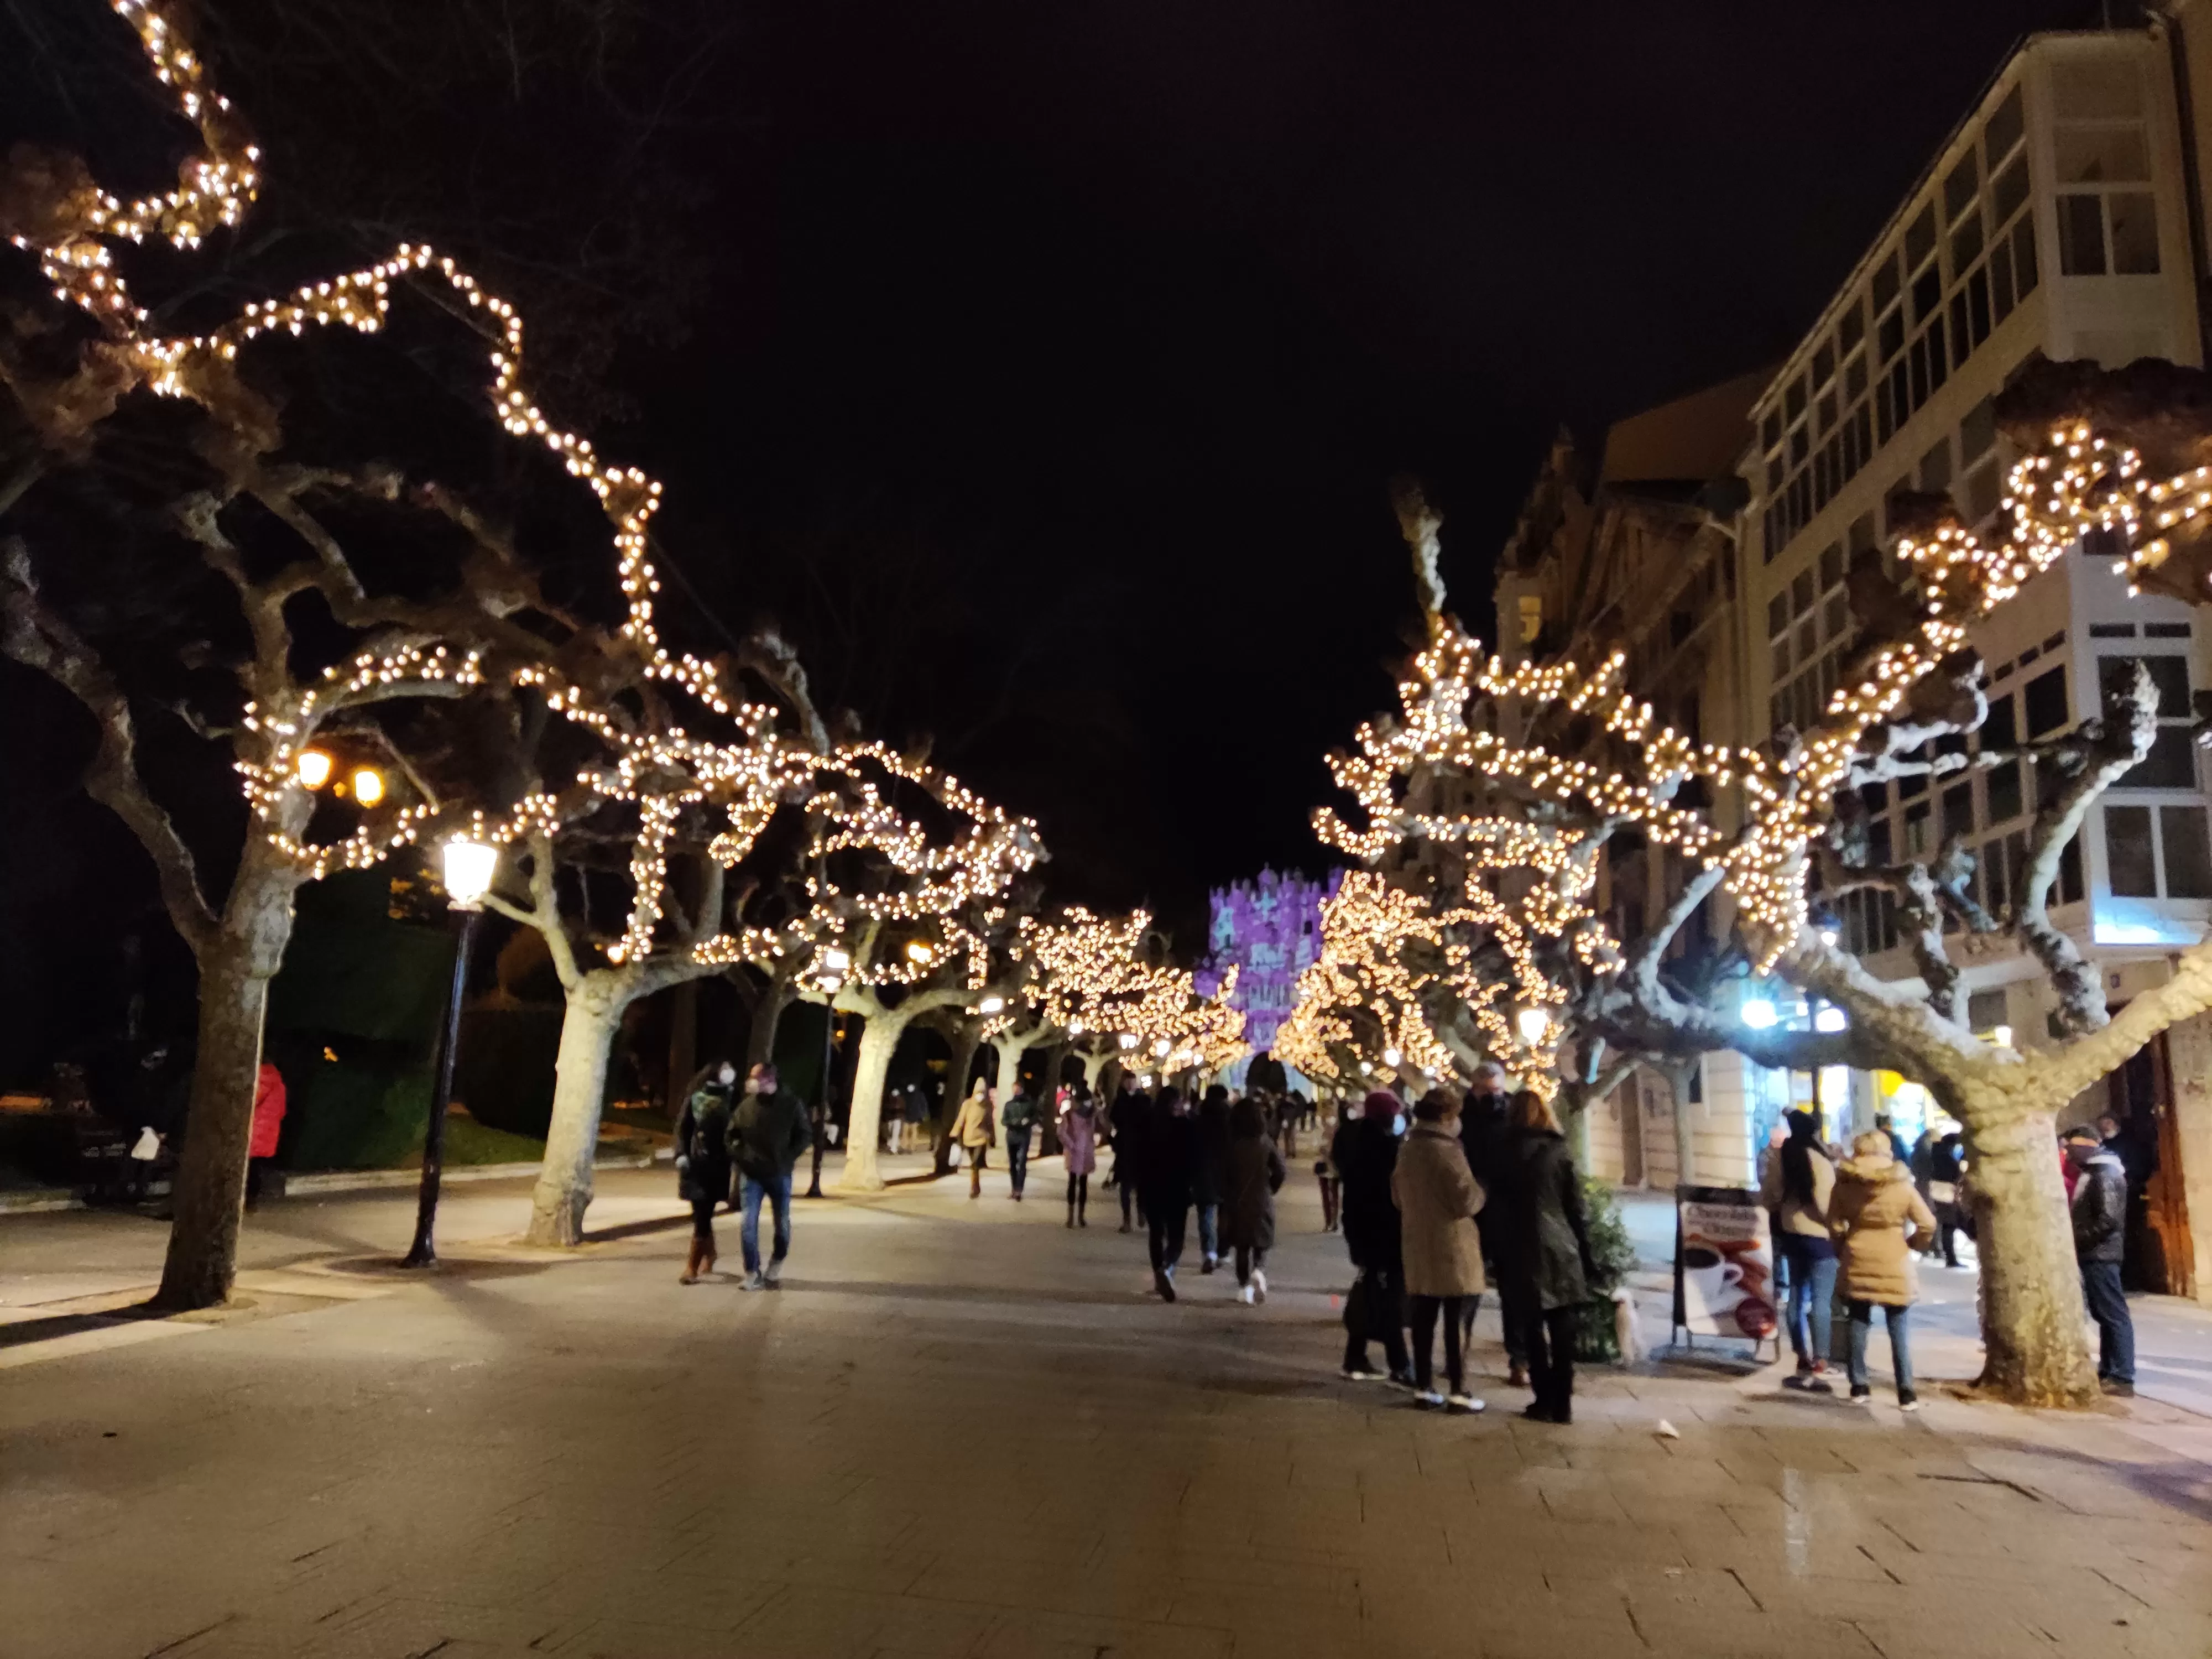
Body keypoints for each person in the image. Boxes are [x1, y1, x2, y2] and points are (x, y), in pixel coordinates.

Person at [1493, 1089, 1594, 1424]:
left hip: (1519, 1247)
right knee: (1562, 1327)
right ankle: (1563, 1403)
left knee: (1531, 1327)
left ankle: (1543, 1399)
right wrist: (1586, 1252)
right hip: (1560, 1246)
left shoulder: (1503, 1152)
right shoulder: (1559, 1151)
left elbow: (1495, 1206)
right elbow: (1576, 1208)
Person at [1391, 1086, 1486, 1413]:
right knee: (1457, 1317)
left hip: (1418, 1241)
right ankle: (1459, 1389)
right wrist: (1482, 1192)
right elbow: (1466, 1200)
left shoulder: (1408, 1148)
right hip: (1453, 1244)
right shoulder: (1448, 1151)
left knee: (1423, 1317)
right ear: (1447, 1116)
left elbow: (1397, 1196)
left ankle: (1424, 1386)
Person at [1829, 1129, 1938, 1409]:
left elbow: (1835, 1224)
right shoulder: (1902, 1185)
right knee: (1898, 1326)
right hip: (1894, 1255)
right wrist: (1913, 1243)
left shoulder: (1844, 1184)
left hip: (1858, 1253)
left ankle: (1859, 1385)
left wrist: (1843, 1248)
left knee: (1857, 1321)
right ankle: (1906, 1391)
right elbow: (1928, 1223)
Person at [1335, 1092, 1412, 1384]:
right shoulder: (1387, 1149)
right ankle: (1400, 1364)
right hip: (1386, 1233)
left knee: (1372, 1293)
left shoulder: (1357, 1143)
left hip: (1364, 1232)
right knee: (1390, 1298)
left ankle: (1355, 1357)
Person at [1761, 1108, 1838, 1392]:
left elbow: (1769, 1196)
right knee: (1821, 1300)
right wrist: (1835, 1227)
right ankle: (1821, 1359)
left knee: (1795, 1295)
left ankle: (1801, 1356)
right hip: (1820, 1236)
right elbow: (1826, 1203)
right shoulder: (1819, 1160)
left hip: (1791, 1233)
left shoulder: (1780, 1157)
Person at [1457, 1061, 1524, 1384]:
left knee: (1514, 1290)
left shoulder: (1515, 1117)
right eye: (1486, 1091)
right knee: (1467, 1288)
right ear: (1474, 1089)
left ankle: (1519, 1360)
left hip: (1509, 1215)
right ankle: (1458, 1354)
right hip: (1473, 1216)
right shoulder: (1460, 1116)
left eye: (1497, 1090)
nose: (1493, 1097)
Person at [2064, 1124, 2135, 1396]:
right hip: (2095, 1253)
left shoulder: (2104, 1174)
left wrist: (2077, 1239)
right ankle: (2109, 1370)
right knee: (2105, 1314)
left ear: (2084, 1147)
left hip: (2101, 1254)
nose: (2068, 1155)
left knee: (2113, 1315)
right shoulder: (2095, 1172)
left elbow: (2108, 1219)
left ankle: (2122, 1376)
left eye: (2071, 1149)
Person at [732, 1062, 810, 1289]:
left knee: (781, 1221)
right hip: (752, 1174)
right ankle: (752, 1271)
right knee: (748, 1222)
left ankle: (777, 1260)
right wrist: (741, 1156)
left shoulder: (791, 1105)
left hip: (779, 1174)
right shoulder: (747, 1106)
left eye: (756, 1077)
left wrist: (787, 1158)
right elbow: (732, 1134)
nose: (751, 1081)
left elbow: (804, 1134)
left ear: (769, 1079)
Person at [673, 1060, 737, 1284]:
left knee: (703, 1214)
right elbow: (683, 1129)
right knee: (700, 1214)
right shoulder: (695, 1099)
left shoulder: (732, 1099)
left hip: (718, 1166)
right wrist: (680, 1154)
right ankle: (711, 1254)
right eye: (724, 1069)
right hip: (694, 1165)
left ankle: (691, 1267)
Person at [1223, 1097, 1287, 1304]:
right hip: (1261, 1198)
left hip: (1238, 1201)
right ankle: (1258, 1270)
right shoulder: (1265, 1142)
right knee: (1261, 1243)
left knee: (1242, 1246)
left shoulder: (1233, 1144)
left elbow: (1225, 1174)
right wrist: (1271, 1187)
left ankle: (1244, 1288)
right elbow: (1280, 1170)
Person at [1141, 1086, 1202, 1301]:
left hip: (1152, 1187)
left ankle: (1159, 1272)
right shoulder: (1185, 1127)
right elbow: (1194, 1158)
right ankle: (1166, 1268)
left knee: (1156, 1234)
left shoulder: (1148, 1125)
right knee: (1176, 1237)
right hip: (1177, 1188)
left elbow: (1139, 1157)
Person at [1195, 1084, 1232, 1271]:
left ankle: (1209, 1252)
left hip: (1204, 1172)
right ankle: (1223, 1252)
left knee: (1206, 1215)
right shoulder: (1232, 1121)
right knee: (1226, 1215)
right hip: (1227, 1173)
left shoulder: (1198, 1119)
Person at [1112, 1077, 1151, 1233]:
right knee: (1127, 1187)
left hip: (1136, 1149)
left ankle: (1140, 1213)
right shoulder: (1122, 1100)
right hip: (1128, 1149)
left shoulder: (1141, 1100)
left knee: (1138, 1186)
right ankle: (1128, 1218)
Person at [246, 1059, 286, 1208]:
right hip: (268, 1131)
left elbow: (251, 1100)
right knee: (255, 1167)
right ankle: (251, 1200)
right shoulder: (279, 1083)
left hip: (253, 1129)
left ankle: (246, 1200)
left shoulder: (262, 1078)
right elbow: (282, 1109)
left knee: (247, 1167)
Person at [1925, 1131, 1968, 1268]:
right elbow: (1954, 1174)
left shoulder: (1936, 1153)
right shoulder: (1946, 1157)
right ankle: (1951, 1259)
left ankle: (1950, 1258)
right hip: (1947, 1195)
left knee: (1948, 1226)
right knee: (1950, 1226)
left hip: (1939, 1194)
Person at [1059, 1085, 1098, 1227]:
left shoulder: (1092, 1115)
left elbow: (1097, 1130)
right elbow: (1062, 1132)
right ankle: (1071, 1217)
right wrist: (1072, 1145)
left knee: (1083, 1184)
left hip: (1086, 1152)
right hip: (1075, 1152)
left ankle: (1080, 1216)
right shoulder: (1069, 1115)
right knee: (1073, 1182)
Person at [951, 1081, 995, 1199]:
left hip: (981, 1138)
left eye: (982, 1092)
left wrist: (992, 1137)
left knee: (975, 1163)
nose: (980, 1095)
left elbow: (990, 1122)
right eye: (978, 1092)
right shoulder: (967, 1104)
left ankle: (974, 1188)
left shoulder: (988, 1105)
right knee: (973, 1164)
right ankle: (976, 1185)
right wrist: (955, 1132)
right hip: (969, 1138)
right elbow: (961, 1119)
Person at [1001, 1082, 1037, 1200]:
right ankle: (1014, 1188)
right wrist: (1013, 1122)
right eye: (1015, 1090)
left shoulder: (1029, 1104)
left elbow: (1035, 1118)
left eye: (1018, 1089)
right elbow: (1004, 1120)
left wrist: (1027, 1122)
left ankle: (1019, 1190)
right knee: (1012, 1163)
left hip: (1024, 1136)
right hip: (1011, 1136)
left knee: (1022, 1162)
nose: (1016, 1092)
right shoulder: (1009, 1105)